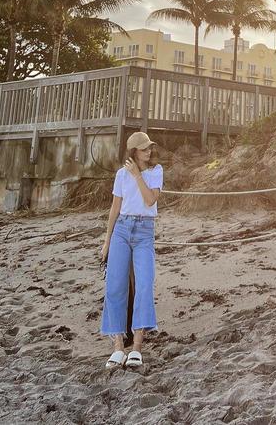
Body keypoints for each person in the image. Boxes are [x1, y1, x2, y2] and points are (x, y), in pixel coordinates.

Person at [100, 131, 163, 370]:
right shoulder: (120, 174)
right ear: (134, 151)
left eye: (149, 148)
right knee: (115, 286)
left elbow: (149, 200)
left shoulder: (156, 172)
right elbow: (114, 208)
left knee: (145, 284)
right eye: (144, 148)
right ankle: (117, 347)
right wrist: (107, 241)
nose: (149, 151)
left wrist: (138, 175)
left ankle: (136, 347)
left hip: (144, 231)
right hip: (121, 231)